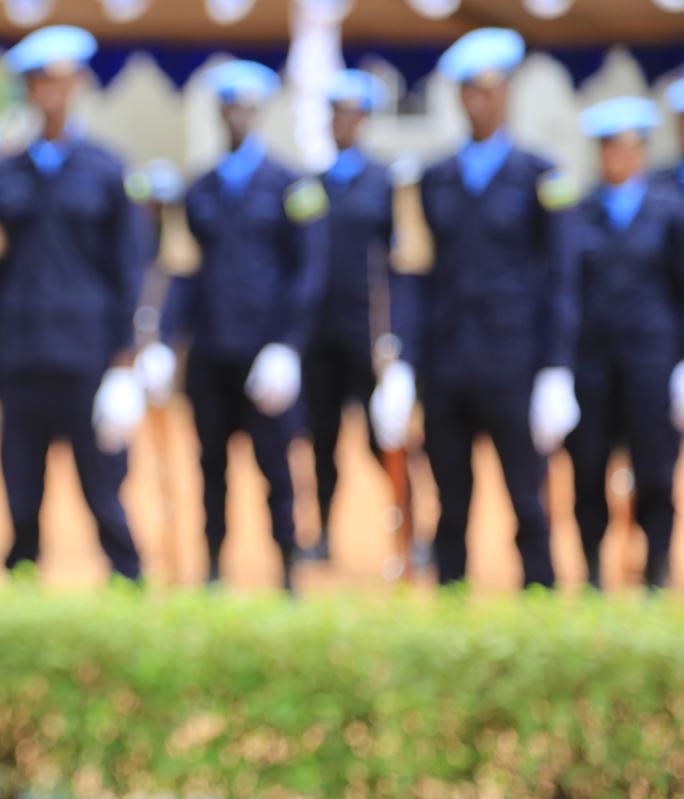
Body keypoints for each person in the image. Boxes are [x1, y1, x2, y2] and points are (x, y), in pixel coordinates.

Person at [371, 28, 579, 589]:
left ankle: (540, 606)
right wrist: (402, 362)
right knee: (450, 503)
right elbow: (412, 275)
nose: (478, 102)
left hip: (514, 361)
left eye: (488, 91)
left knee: (528, 502)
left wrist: (557, 367)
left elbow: (561, 277)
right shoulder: (432, 179)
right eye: (468, 91)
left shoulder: (541, 176)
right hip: (448, 364)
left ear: (506, 93)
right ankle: (452, 608)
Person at [0, 24, 145, 580]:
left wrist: (126, 362)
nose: (49, 93)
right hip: (20, 357)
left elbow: (129, 271)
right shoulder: (2, 172)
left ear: (76, 85)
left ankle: (129, 584)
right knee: (21, 494)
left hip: (87, 358)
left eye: (59, 82)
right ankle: (23, 588)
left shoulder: (107, 169)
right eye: (38, 83)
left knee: (105, 493)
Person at [159, 60, 329, 591]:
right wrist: (164, 342)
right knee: (210, 466)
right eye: (228, 106)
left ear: (258, 113)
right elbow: (184, 271)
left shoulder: (291, 185)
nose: (236, 114)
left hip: (264, 352)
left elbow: (309, 272)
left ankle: (287, 569)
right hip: (211, 352)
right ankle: (213, 567)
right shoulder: (200, 187)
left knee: (276, 466)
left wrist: (288, 346)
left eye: (245, 106)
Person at [568, 97, 684, 589]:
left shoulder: (669, 211)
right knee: (589, 464)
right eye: (611, 148)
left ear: (641, 152)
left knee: (655, 466)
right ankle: (593, 569)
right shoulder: (580, 211)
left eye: (630, 147)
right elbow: (566, 288)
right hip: (593, 363)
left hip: (650, 360)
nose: (620, 157)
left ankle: (655, 567)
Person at [299, 69, 395, 564]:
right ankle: (321, 533)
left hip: (368, 332)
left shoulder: (385, 184)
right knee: (322, 441)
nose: (342, 123)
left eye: (351, 114)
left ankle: (409, 527)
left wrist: (395, 337)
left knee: (384, 437)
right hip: (321, 334)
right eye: (336, 114)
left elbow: (400, 262)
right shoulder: (312, 185)